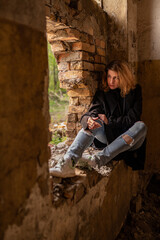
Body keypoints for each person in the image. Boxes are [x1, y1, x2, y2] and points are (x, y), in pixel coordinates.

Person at [50, 60, 147, 178]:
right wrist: (89, 120)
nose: (111, 81)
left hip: (131, 139)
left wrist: (109, 121)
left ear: (124, 77)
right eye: (109, 76)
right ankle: (67, 163)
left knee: (141, 126)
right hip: (109, 136)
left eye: (116, 78)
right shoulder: (103, 93)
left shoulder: (135, 91)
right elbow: (91, 112)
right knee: (93, 122)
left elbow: (132, 118)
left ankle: (98, 159)